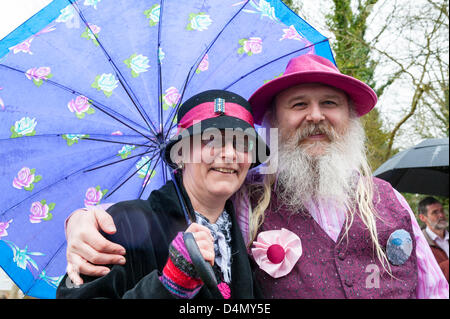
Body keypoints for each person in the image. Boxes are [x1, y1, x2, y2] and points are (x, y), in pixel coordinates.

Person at [63, 54, 448, 298]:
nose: (228, 155)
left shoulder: (389, 199)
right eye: (299, 105)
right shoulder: (248, 204)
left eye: (329, 103)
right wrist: (85, 221)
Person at [56, 90, 269, 299]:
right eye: (211, 140)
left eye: (241, 144)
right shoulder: (121, 224)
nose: (230, 154)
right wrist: (169, 287)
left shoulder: (245, 238)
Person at [418, 197, 449, 282]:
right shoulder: (419, 244)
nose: (441, 215)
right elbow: (426, 277)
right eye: (435, 212)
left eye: (442, 211)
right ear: (422, 218)